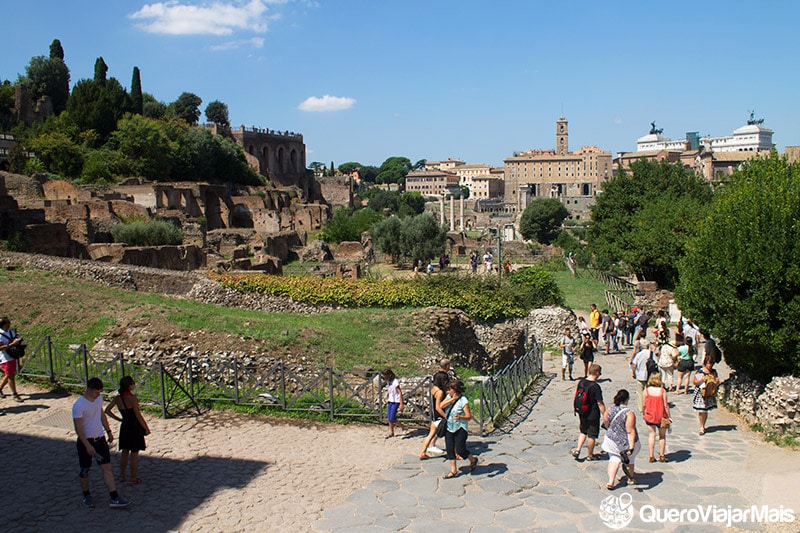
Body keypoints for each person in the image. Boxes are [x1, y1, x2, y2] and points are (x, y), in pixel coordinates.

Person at [73, 377, 130, 508]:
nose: (98, 395)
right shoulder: (79, 405)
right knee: (85, 469)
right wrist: (87, 446)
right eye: (96, 392)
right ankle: (86, 494)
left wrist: (108, 431)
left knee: (107, 467)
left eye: (99, 392)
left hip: (100, 438)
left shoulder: (98, 400)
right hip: (86, 441)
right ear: (89, 389)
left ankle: (114, 496)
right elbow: (79, 428)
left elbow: (101, 415)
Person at [105, 376, 151, 485]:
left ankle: (121, 475)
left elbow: (107, 410)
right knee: (134, 453)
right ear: (130, 386)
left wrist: (119, 419)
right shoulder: (132, 399)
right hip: (134, 427)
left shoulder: (117, 398)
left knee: (125, 452)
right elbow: (138, 415)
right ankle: (133, 477)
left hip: (125, 426)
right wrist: (146, 428)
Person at [601, 389, 640, 489]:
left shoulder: (610, 409)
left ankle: (610, 481)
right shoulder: (629, 413)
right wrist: (631, 447)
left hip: (611, 439)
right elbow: (630, 431)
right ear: (627, 399)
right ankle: (630, 478)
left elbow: (605, 421)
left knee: (614, 458)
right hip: (624, 441)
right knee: (630, 460)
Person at [440, 380, 478, 478]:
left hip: (460, 428)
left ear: (455, 390)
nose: (448, 392)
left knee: (460, 450)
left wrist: (460, 417)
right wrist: (452, 400)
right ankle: (453, 470)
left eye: (449, 390)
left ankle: (472, 459)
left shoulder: (463, 400)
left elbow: (469, 416)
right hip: (449, 427)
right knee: (449, 448)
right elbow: (441, 406)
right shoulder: (449, 397)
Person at [572, 364, 605, 461]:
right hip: (592, 413)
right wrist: (605, 414)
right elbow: (600, 403)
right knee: (592, 435)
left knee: (583, 431)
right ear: (597, 373)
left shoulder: (581, 382)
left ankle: (578, 450)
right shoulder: (595, 386)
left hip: (582, 411)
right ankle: (590, 455)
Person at [419, 361, 451, 459]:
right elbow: (438, 406)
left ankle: (423, 452)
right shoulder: (440, 392)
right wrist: (446, 416)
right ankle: (454, 452)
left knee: (432, 433)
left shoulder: (434, 388)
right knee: (449, 433)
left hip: (434, 413)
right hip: (439, 414)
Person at [643, 373, 671, 463]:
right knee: (662, 436)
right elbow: (666, 405)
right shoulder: (662, 391)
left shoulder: (646, 391)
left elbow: (644, 404)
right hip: (661, 416)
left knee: (651, 435)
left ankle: (651, 456)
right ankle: (662, 455)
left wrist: (644, 413)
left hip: (650, 416)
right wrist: (669, 416)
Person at [693, 354, 719, 435]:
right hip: (701, 393)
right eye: (708, 363)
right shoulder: (700, 372)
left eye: (711, 363)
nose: (710, 365)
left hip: (709, 393)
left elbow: (716, 381)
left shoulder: (713, 372)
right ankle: (702, 426)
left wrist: (716, 382)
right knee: (702, 410)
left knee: (705, 410)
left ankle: (703, 425)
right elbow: (695, 382)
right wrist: (701, 380)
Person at [0, 317, 24, 403]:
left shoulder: (10, 332)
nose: (9, 325)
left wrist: (17, 341)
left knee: (9, 374)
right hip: (4, 357)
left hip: (12, 355)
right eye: (7, 324)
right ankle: (14, 394)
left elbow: (15, 338)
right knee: (10, 376)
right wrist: (11, 344)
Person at [630, 339, 654, 413]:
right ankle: (649, 405)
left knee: (640, 392)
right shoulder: (651, 353)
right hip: (650, 374)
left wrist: (633, 373)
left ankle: (641, 407)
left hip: (640, 374)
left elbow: (634, 365)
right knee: (649, 391)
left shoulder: (639, 354)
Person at [381, 368, 405, 437]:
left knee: (392, 418)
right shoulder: (388, 382)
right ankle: (391, 432)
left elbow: (399, 392)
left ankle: (403, 426)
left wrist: (401, 403)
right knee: (389, 418)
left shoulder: (395, 381)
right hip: (390, 401)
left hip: (396, 401)